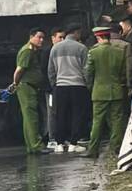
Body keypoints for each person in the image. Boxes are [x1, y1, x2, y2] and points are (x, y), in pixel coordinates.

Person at [79, 27, 127, 158]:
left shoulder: (93, 52)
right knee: (117, 121)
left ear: (98, 37)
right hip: (116, 91)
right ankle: (116, 148)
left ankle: (93, 150)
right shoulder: (119, 52)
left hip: (99, 92)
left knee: (97, 122)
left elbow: (88, 73)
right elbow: (123, 73)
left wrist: (91, 87)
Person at [48, 23, 89, 153]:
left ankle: (59, 143)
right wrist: (88, 84)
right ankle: (73, 143)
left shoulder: (55, 48)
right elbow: (86, 70)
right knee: (77, 114)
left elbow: (51, 70)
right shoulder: (82, 48)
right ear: (76, 33)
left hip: (61, 86)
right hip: (78, 86)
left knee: (60, 115)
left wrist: (54, 84)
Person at [10, 27, 51, 154]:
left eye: (43, 38)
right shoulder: (27, 51)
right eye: (39, 37)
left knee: (28, 117)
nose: (41, 40)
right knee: (32, 117)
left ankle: (31, 145)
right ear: (31, 37)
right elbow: (19, 70)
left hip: (29, 86)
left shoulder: (32, 50)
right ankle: (36, 145)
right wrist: (15, 83)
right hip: (26, 87)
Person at [41, 27, 65, 149]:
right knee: (52, 112)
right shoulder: (48, 52)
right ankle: (52, 138)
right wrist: (50, 86)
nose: (62, 40)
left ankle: (60, 137)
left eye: (63, 37)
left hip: (61, 86)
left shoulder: (61, 51)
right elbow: (45, 70)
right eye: (60, 37)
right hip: (51, 88)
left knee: (61, 112)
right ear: (53, 38)